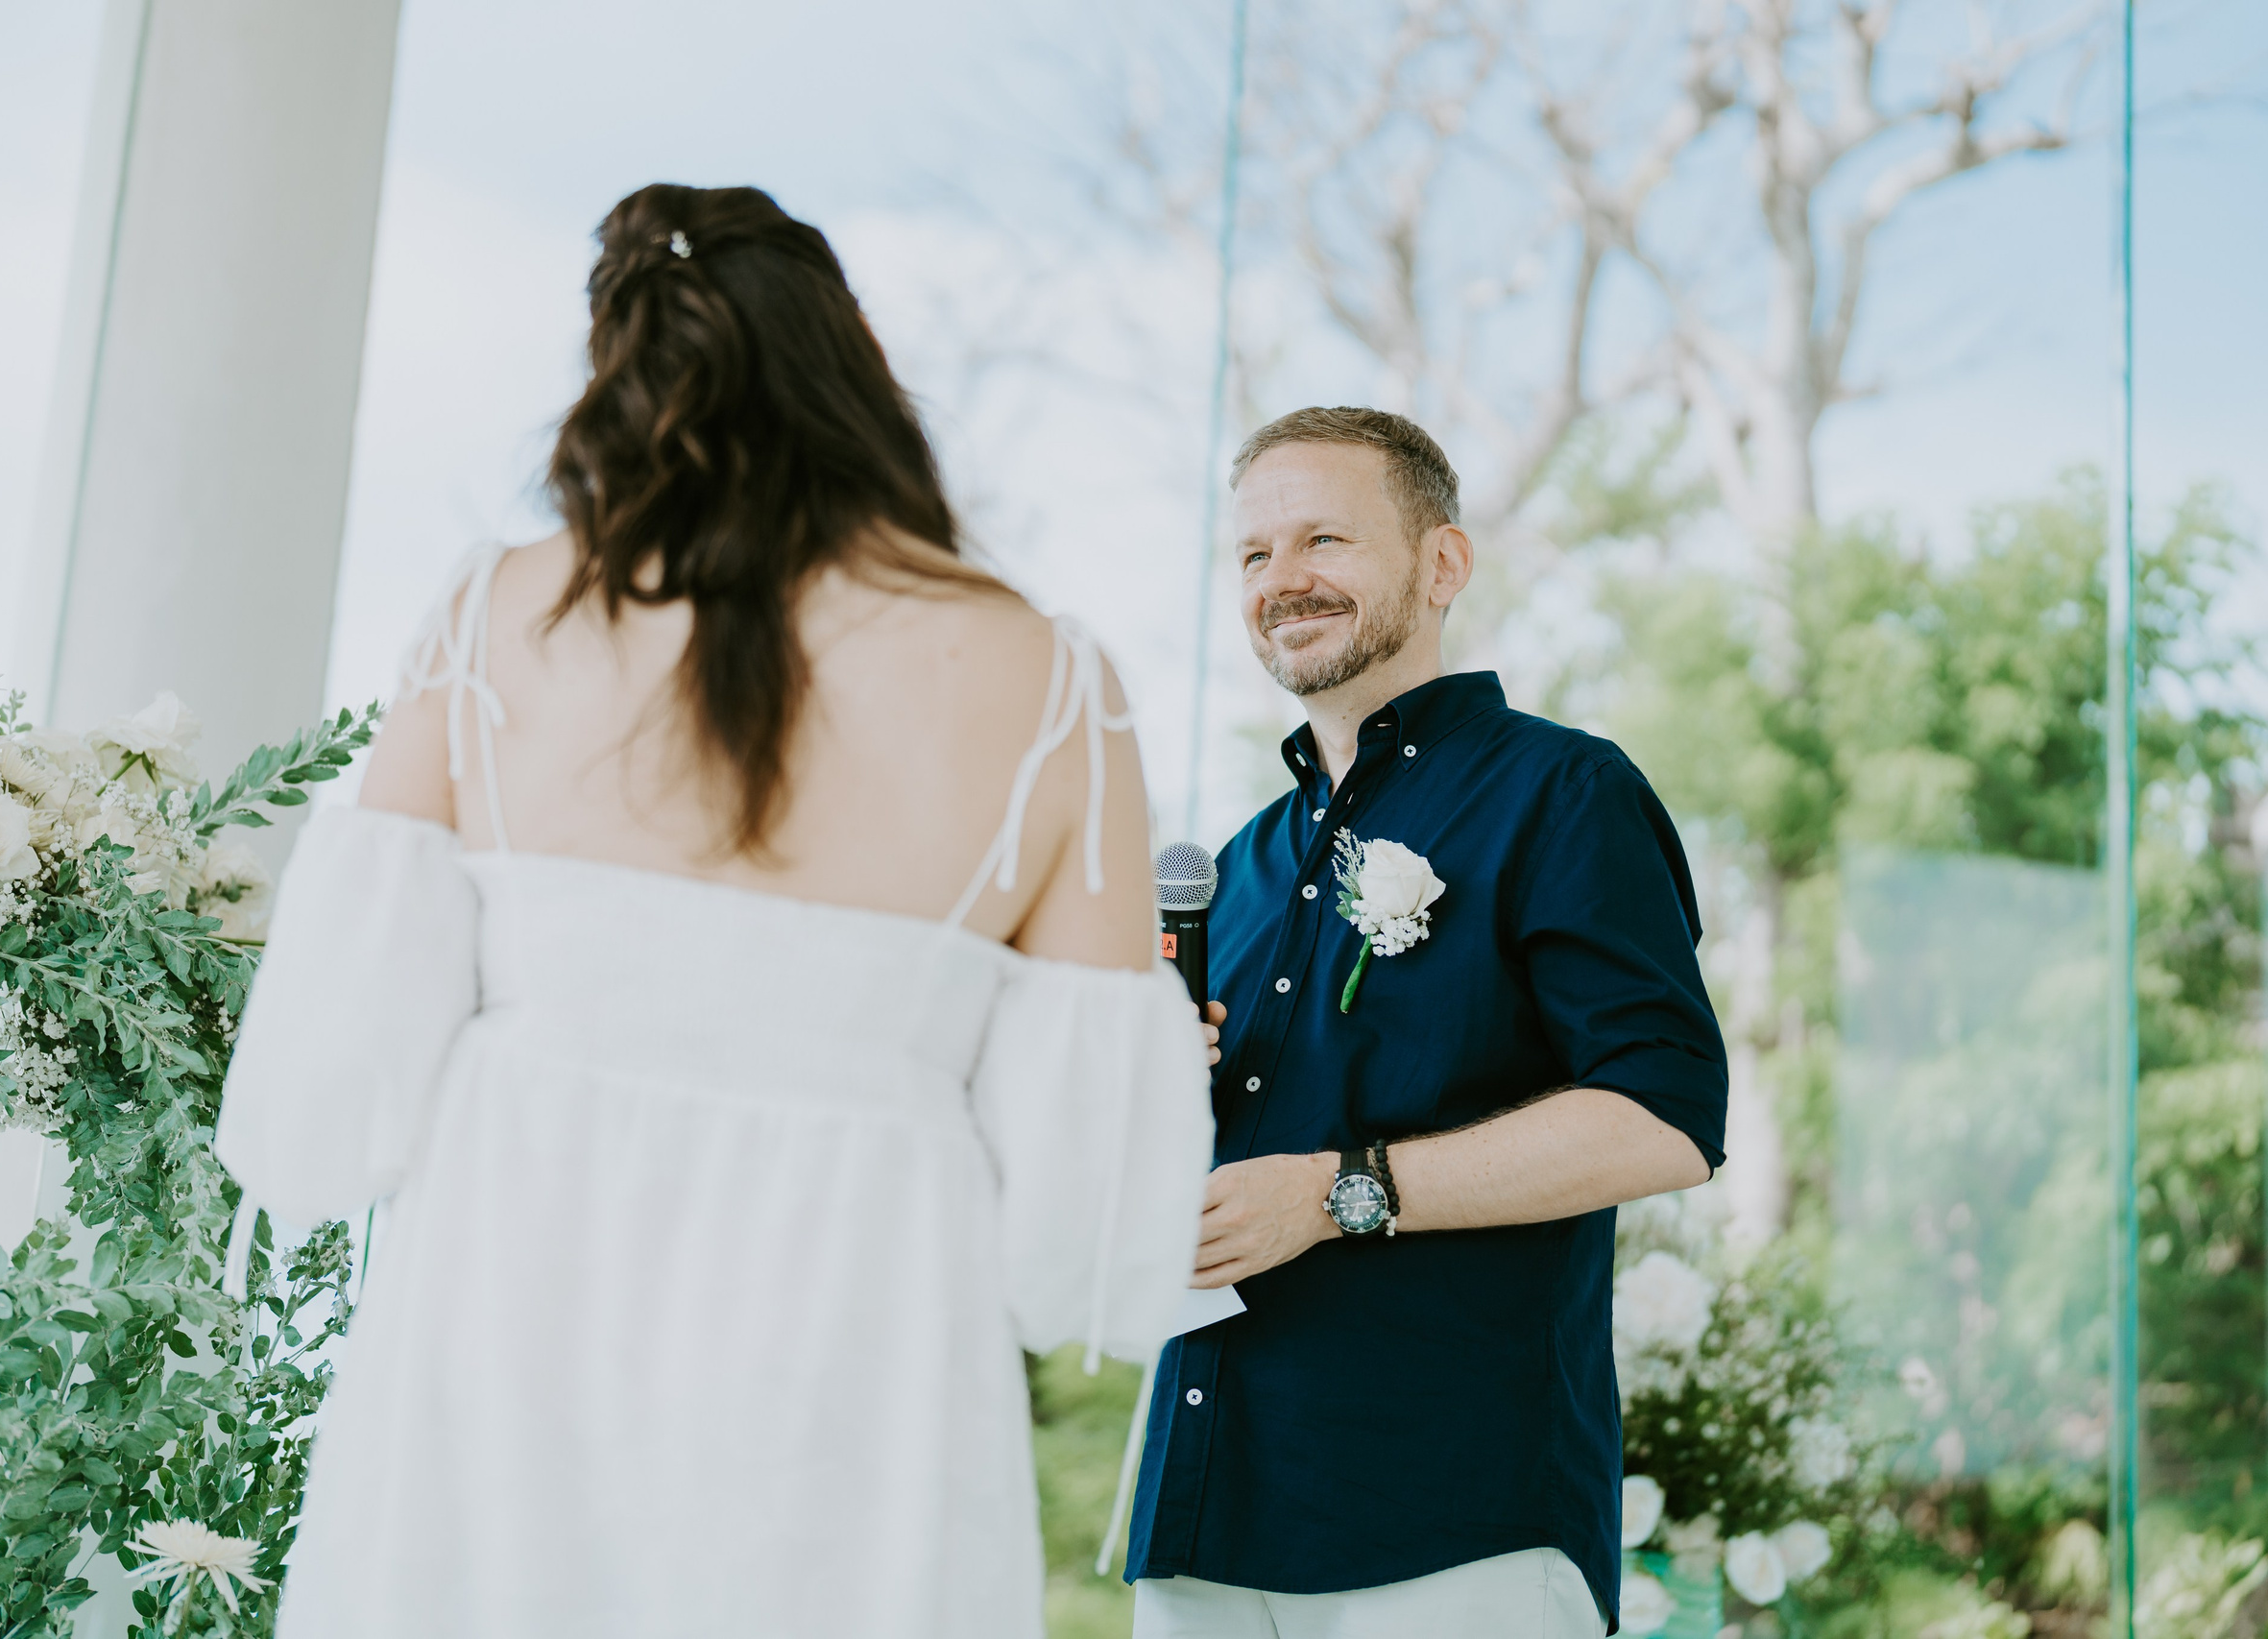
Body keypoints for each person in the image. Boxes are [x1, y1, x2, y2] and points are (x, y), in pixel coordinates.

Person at [212, 182, 1214, 1638]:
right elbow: (1082, 1213)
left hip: (508, 1313)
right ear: (857, 352)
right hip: (860, 1343)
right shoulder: (1047, 677)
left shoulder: (496, 612)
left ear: (616, 370)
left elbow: (326, 1096)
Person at [1123, 407, 1728, 1638]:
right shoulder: (1236, 867)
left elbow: (1667, 1116)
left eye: (1324, 539)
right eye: (1251, 556)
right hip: (1201, 1514)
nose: (1281, 581)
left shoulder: (1564, 792)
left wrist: (1339, 1190)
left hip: (1452, 1522)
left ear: (1442, 566)